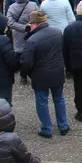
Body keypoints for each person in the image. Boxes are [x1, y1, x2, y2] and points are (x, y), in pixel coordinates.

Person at [20, 10, 69, 138]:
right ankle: (63, 125)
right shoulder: (57, 32)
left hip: (40, 75)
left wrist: (26, 74)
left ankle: (46, 129)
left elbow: (26, 62)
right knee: (59, 98)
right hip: (57, 71)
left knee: (42, 101)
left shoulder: (32, 40)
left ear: (35, 24)